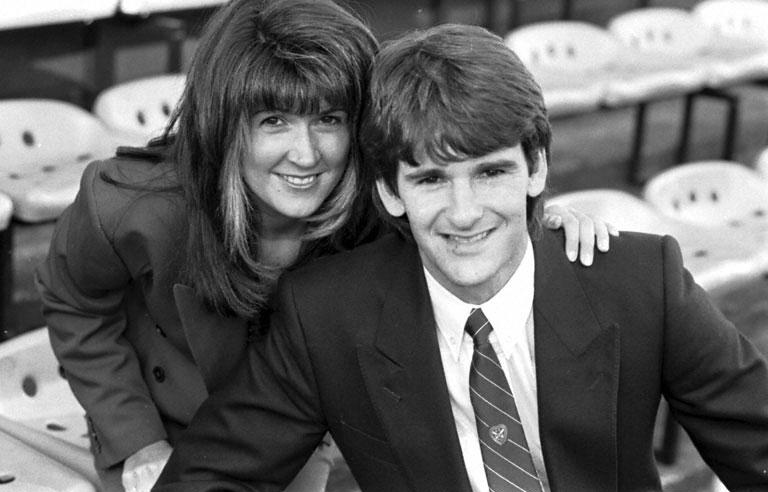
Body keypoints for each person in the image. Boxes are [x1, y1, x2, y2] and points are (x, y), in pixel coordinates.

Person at [153, 22, 768, 492]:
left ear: (536, 168)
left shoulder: (642, 281)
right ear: (389, 191)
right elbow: (208, 477)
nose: (465, 213)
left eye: (490, 172)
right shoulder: (325, 314)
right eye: (431, 180)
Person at [35, 2, 612, 491]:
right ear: (224, 122)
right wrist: (136, 439)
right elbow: (74, 304)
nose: (306, 155)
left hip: (313, 427)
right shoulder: (133, 204)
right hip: (171, 426)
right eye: (274, 121)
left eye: (329, 119)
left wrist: (534, 229)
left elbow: (461, 215)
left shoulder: (378, 200)